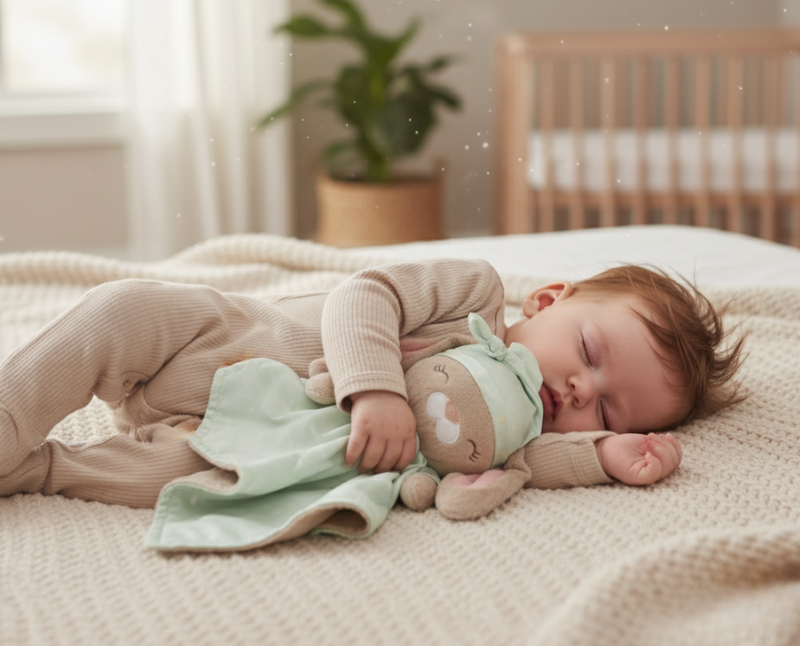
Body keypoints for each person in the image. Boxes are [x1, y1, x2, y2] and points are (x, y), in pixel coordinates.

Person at [0, 259, 745, 508]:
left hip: (246, 435)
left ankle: (36, 471)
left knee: (194, 474)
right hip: (211, 342)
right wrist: (377, 388)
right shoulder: (473, 294)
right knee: (126, 307)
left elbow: (528, 469)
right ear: (549, 300)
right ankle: (11, 417)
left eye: (608, 409)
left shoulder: (514, 430)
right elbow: (364, 295)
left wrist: (606, 460)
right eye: (588, 350)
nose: (582, 390)